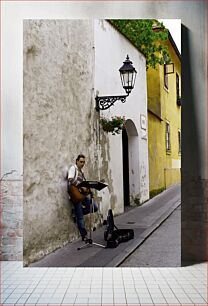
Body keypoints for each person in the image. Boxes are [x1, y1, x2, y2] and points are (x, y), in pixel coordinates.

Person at [68, 154, 98, 241]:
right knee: (80, 217)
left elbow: (84, 185)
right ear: (76, 161)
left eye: (84, 162)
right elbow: (70, 178)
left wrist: (87, 189)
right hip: (75, 195)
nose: (82, 163)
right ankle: (84, 235)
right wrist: (81, 187)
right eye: (81, 162)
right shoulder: (73, 168)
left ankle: (76, 213)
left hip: (82, 195)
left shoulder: (82, 172)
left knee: (94, 207)